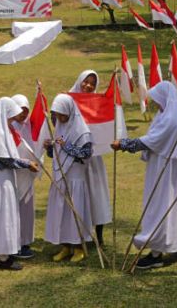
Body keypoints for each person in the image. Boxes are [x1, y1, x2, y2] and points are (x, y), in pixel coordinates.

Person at [111, 81, 177, 270]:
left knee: (160, 204)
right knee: (173, 203)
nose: (156, 104)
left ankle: (156, 253)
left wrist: (124, 145)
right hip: (164, 164)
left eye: (157, 99)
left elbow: (152, 140)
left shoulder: (172, 119)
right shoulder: (166, 114)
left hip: (165, 167)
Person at [0, 97, 39, 271]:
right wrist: (27, 164)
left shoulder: (2, 130)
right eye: (11, 117)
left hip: (2, 179)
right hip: (2, 181)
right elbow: (5, 160)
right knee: (3, 217)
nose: (13, 120)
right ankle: (3, 257)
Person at [44, 94, 94, 263]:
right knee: (61, 213)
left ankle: (79, 248)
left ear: (69, 111)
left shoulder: (82, 132)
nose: (59, 118)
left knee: (75, 212)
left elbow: (86, 155)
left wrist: (67, 146)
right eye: (57, 114)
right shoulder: (59, 126)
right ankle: (65, 246)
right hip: (60, 177)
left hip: (75, 179)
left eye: (62, 114)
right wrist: (49, 147)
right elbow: (55, 155)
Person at [70, 70, 111, 246]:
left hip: (93, 158)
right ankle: (75, 235)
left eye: (92, 84)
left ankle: (99, 235)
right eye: (86, 82)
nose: (88, 86)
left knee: (97, 194)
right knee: (76, 196)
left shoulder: (97, 104)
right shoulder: (69, 102)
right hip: (73, 159)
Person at [10, 94, 44, 260]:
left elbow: (36, 143)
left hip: (28, 174)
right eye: (19, 110)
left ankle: (24, 242)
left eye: (26, 110)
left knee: (26, 211)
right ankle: (11, 242)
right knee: (12, 209)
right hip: (13, 174)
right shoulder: (9, 127)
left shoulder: (30, 125)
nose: (23, 114)